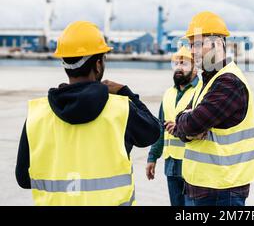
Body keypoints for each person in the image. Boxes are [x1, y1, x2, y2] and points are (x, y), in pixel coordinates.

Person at [15, 21, 161, 206]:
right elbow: (154, 131)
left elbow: (23, 178)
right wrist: (126, 91)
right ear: (98, 65)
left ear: (65, 64)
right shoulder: (121, 110)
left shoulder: (37, 115)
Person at [168, 11, 254, 206]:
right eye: (191, 45)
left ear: (218, 44)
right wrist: (186, 126)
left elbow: (191, 124)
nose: (192, 51)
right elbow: (182, 121)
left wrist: (188, 126)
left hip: (222, 189)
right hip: (205, 187)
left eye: (198, 44)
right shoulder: (207, 80)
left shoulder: (228, 82)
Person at [146, 46, 201, 206]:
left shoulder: (201, 91)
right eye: (176, 63)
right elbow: (160, 129)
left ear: (195, 68)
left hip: (193, 164)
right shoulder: (168, 94)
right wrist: (152, 158)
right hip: (171, 166)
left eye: (183, 64)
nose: (178, 67)